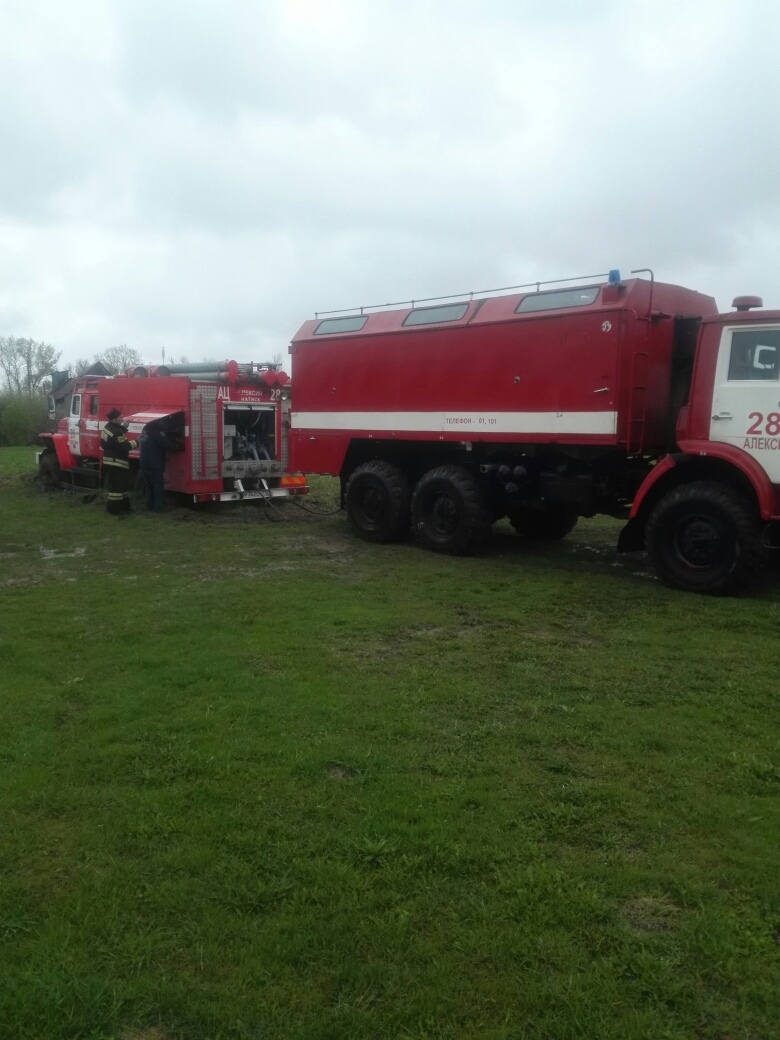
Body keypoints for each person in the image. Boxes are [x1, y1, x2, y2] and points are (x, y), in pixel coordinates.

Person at [100, 407, 138, 515]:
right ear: (113, 419)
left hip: (110, 462)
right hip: (116, 463)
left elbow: (111, 440)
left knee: (122, 488)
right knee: (116, 490)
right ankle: (114, 510)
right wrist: (138, 441)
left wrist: (124, 428)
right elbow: (124, 446)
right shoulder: (116, 431)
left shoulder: (108, 427)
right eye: (120, 417)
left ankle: (124, 508)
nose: (122, 419)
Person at [139, 420, 168, 512]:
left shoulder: (146, 428)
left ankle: (149, 506)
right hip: (154, 463)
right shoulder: (157, 430)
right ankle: (159, 507)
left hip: (144, 462)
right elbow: (165, 444)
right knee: (157, 486)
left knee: (149, 485)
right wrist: (176, 445)